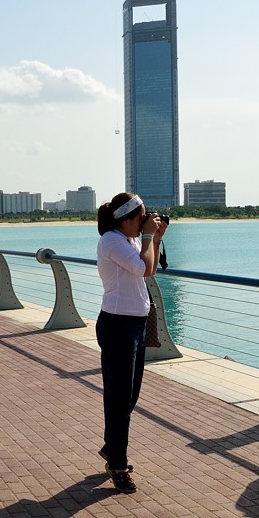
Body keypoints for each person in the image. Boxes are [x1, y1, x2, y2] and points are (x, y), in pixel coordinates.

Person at [95, 192, 166, 493]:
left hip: (135, 324)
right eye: (141, 217)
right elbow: (144, 269)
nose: (145, 221)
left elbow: (151, 265)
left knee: (130, 396)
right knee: (119, 398)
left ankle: (112, 448)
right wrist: (148, 235)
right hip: (118, 325)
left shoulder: (131, 239)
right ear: (126, 219)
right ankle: (118, 464)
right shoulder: (111, 241)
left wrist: (155, 238)